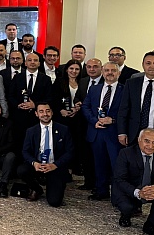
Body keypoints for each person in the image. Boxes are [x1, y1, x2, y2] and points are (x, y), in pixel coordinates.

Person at [113, 128, 154, 235]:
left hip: (151, 190)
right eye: (147, 141)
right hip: (131, 190)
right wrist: (138, 193)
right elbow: (119, 179)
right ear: (139, 140)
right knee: (127, 207)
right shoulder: (126, 153)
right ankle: (126, 214)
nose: (150, 146)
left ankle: (150, 224)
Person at [17, 103, 74, 206]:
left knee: (54, 202)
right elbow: (25, 151)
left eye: (47, 111)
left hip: (55, 167)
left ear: (52, 112)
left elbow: (70, 152)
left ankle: (54, 186)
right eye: (41, 111)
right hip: (38, 165)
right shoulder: (31, 131)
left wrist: (55, 165)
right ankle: (36, 189)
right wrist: (34, 163)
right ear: (36, 114)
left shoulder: (63, 129)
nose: (45, 114)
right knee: (22, 170)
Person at [82, 62, 124, 200]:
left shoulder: (125, 90)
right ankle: (101, 191)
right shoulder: (94, 89)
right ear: (102, 72)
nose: (110, 73)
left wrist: (113, 120)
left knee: (116, 166)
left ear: (119, 73)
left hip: (114, 133)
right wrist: (94, 121)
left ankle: (118, 196)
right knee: (99, 164)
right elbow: (85, 107)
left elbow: (128, 111)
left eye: (113, 70)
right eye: (107, 70)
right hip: (97, 132)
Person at [7, 52, 53, 142]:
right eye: (29, 60)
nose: (32, 62)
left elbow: (49, 98)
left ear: (39, 63)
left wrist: (35, 105)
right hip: (19, 117)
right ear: (25, 63)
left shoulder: (46, 79)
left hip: (37, 118)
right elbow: (10, 96)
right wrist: (18, 105)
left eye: (35, 60)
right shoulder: (17, 77)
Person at [74, 58, 103, 191]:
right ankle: (88, 181)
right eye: (89, 67)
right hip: (83, 124)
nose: (92, 69)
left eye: (95, 66)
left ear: (101, 68)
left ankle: (99, 184)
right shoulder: (83, 81)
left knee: (98, 156)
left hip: (99, 124)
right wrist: (77, 102)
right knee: (85, 154)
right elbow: (77, 97)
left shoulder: (106, 82)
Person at [51, 59, 84, 175]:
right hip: (63, 118)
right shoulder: (59, 82)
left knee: (77, 142)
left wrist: (78, 108)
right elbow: (53, 99)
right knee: (64, 143)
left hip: (79, 118)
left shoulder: (83, 82)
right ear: (66, 70)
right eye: (71, 68)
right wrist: (61, 110)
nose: (74, 71)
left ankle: (76, 167)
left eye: (77, 69)